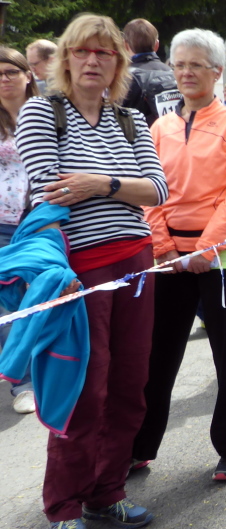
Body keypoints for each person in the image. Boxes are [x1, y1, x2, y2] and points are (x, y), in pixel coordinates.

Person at [15, 13, 169, 528]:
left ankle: (106, 493)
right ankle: (63, 507)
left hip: (137, 263)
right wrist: (122, 185)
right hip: (79, 270)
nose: (92, 60)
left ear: (119, 62)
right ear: (65, 58)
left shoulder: (131, 119)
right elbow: (53, 188)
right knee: (83, 389)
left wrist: (101, 183)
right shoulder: (42, 112)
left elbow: (159, 191)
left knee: (130, 385)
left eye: (104, 52)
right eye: (82, 50)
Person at [132, 28, 226, 484]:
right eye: (179, 64)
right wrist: (164, 246)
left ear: (216, 71)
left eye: (196, 65)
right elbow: (150, 191)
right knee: (156, 356)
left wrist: (208, 246)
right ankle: (138, 447)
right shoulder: (160, 127)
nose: (186, 73)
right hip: (170, 256)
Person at [0, 47, 39, 415]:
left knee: (45, 296)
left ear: (28, 75)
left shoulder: (48, 114)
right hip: (2, 223)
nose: (4, 79)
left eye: (10, 71)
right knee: (7, 304)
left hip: (44, 219)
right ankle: (22, 384)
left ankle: (54, 368)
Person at [122, 18, 179, 126]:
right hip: (173, 134)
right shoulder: (175, 74)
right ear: (157, 45)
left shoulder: (125, 78)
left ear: (125, 45)